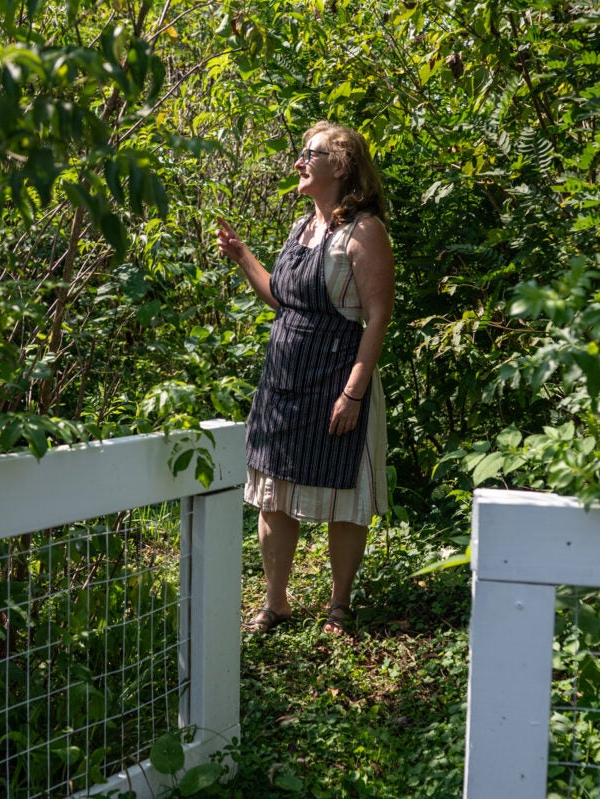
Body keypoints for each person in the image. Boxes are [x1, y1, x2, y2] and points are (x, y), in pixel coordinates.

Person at [216, 121, 394, 635]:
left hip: (338, 379)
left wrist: (354, 394)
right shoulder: (302, 227)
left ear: (339, 165)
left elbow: (378, 316)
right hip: (284, 381)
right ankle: (276, 603)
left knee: (345, 496)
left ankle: (339, 604)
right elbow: (282, 298)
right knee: (274, 490)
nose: (298, 162)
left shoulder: (363, 232)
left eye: (308, 154)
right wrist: (242, 256)